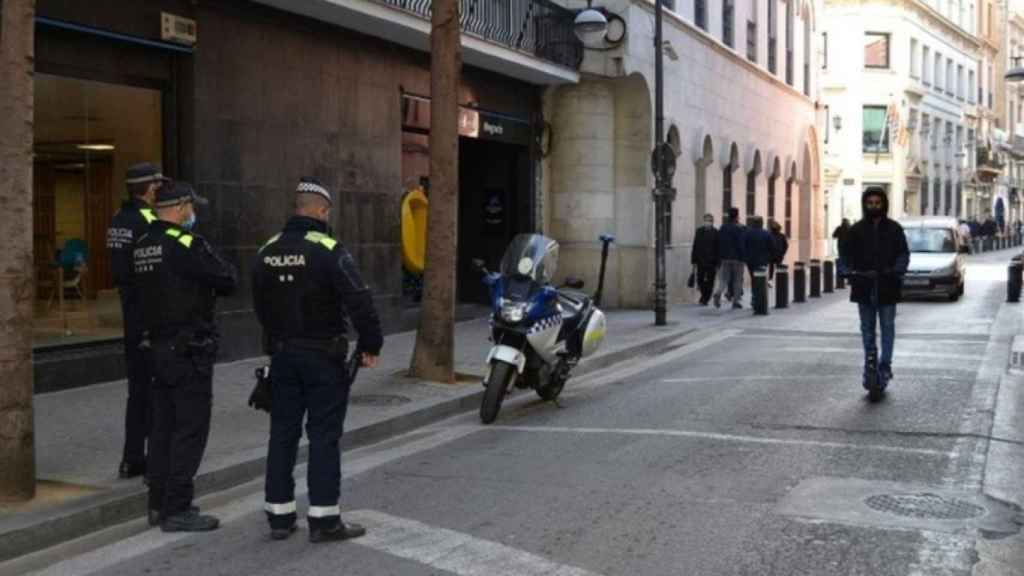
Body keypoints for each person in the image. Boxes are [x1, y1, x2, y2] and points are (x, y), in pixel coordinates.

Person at [254, 178, 384, 543]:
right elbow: (359, 299)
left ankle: (278, 517)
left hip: (282, 356)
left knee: (282, 433)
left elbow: (260, 305)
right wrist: (371, 344)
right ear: (322, 211)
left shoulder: (267, 250)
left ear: (296, 208)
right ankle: (324, 520)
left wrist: (275, 345)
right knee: (324, 436)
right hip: (322, 357)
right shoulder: (329, 249)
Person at [134, 182, 237, 532]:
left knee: (161, 428)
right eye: (191, 207)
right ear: (180, 208)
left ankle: (157, 505)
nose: (193, 213)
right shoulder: (185, 243)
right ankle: (178, 507)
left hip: (155, 349)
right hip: (188, 349)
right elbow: (227, 279)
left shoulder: (143, 244)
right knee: (189, 429)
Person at [106, 162, 168, 480]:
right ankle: (152, 460)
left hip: (129, 311)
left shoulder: (119, 219)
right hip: (149, 313)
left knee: (137, 389)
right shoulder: (148, 221)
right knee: (155, 389)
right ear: (149, 189)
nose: (160, 193)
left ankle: (132, 458)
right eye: (157, 188)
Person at [838, 186, 909, 392]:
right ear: (865, 204)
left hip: (887, 284)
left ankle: (885, 364)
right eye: (870, 203)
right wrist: (845, 270)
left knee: (887, 326)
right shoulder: (856, 230)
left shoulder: (894, 229)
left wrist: (897, 269)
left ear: (883, 204)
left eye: (877, 203)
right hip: (863, 285)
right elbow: (845, 255)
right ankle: (870, 359)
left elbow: (903, 253)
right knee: (867, 327)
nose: (874, 206)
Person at [713, 207, 746, 309]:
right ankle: (735, 301)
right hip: (737, 258)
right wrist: (743, 257)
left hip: (725, 258)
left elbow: (718, 243)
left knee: (724, 279)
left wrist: (720, 256)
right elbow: (741, 244)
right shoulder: (739, 228)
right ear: (736, 216)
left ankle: (718, 292)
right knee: (737, 280)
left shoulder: (723, 227)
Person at [690, 213, 719, 306]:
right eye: (706, 220)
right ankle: (703, 295)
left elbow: (719, 247)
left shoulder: (716, 232)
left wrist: (718, 262)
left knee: (710, 281)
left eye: (709, 220)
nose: (707, 222)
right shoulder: (699, 231)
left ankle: (705, 298)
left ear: (712, 222)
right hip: (700, 260)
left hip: (712, 261)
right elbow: (695, 246)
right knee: (700, 280)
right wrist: (693, 260)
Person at [743, 216, 774, 292]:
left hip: (750, 260)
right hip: (762, 261)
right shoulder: (767, 233)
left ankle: (754, 294)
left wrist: (745, 257)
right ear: (762, 223)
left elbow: (743, 245)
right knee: (761, 278)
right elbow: (772, 247)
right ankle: (759, 294)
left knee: (753, 277)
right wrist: (769, 257)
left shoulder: (747, 233)